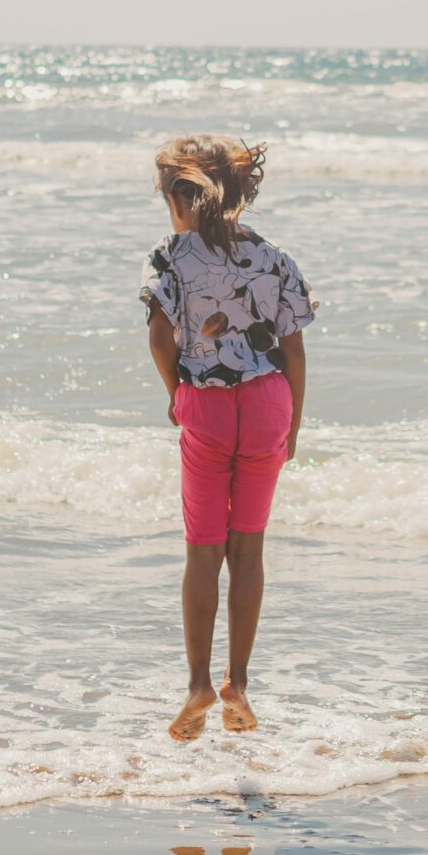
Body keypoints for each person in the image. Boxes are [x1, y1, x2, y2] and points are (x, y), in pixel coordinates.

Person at [140, 137, 315, 741]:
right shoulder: (275, 257)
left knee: (202, 553)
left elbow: (162, 340)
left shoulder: (170, 255)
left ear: (177, 198)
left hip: (207, 412)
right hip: (269, 406)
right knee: (249, 551)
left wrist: (175, 394)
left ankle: (197, 685)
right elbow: (293, 347)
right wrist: (292, 424)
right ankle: (238, 682)